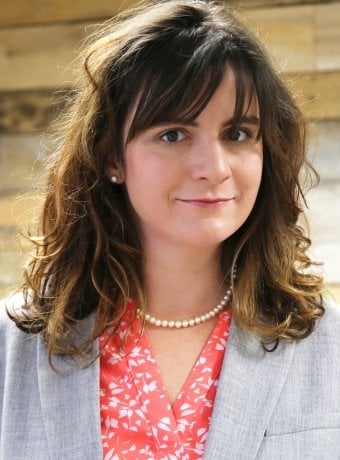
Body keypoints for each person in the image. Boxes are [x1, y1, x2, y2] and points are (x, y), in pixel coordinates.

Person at [0, 0, 339, 458]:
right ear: (113, 157)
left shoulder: (325, 340)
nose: (213, 168)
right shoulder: (15, 344)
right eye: (173, 134)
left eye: (237, 133)